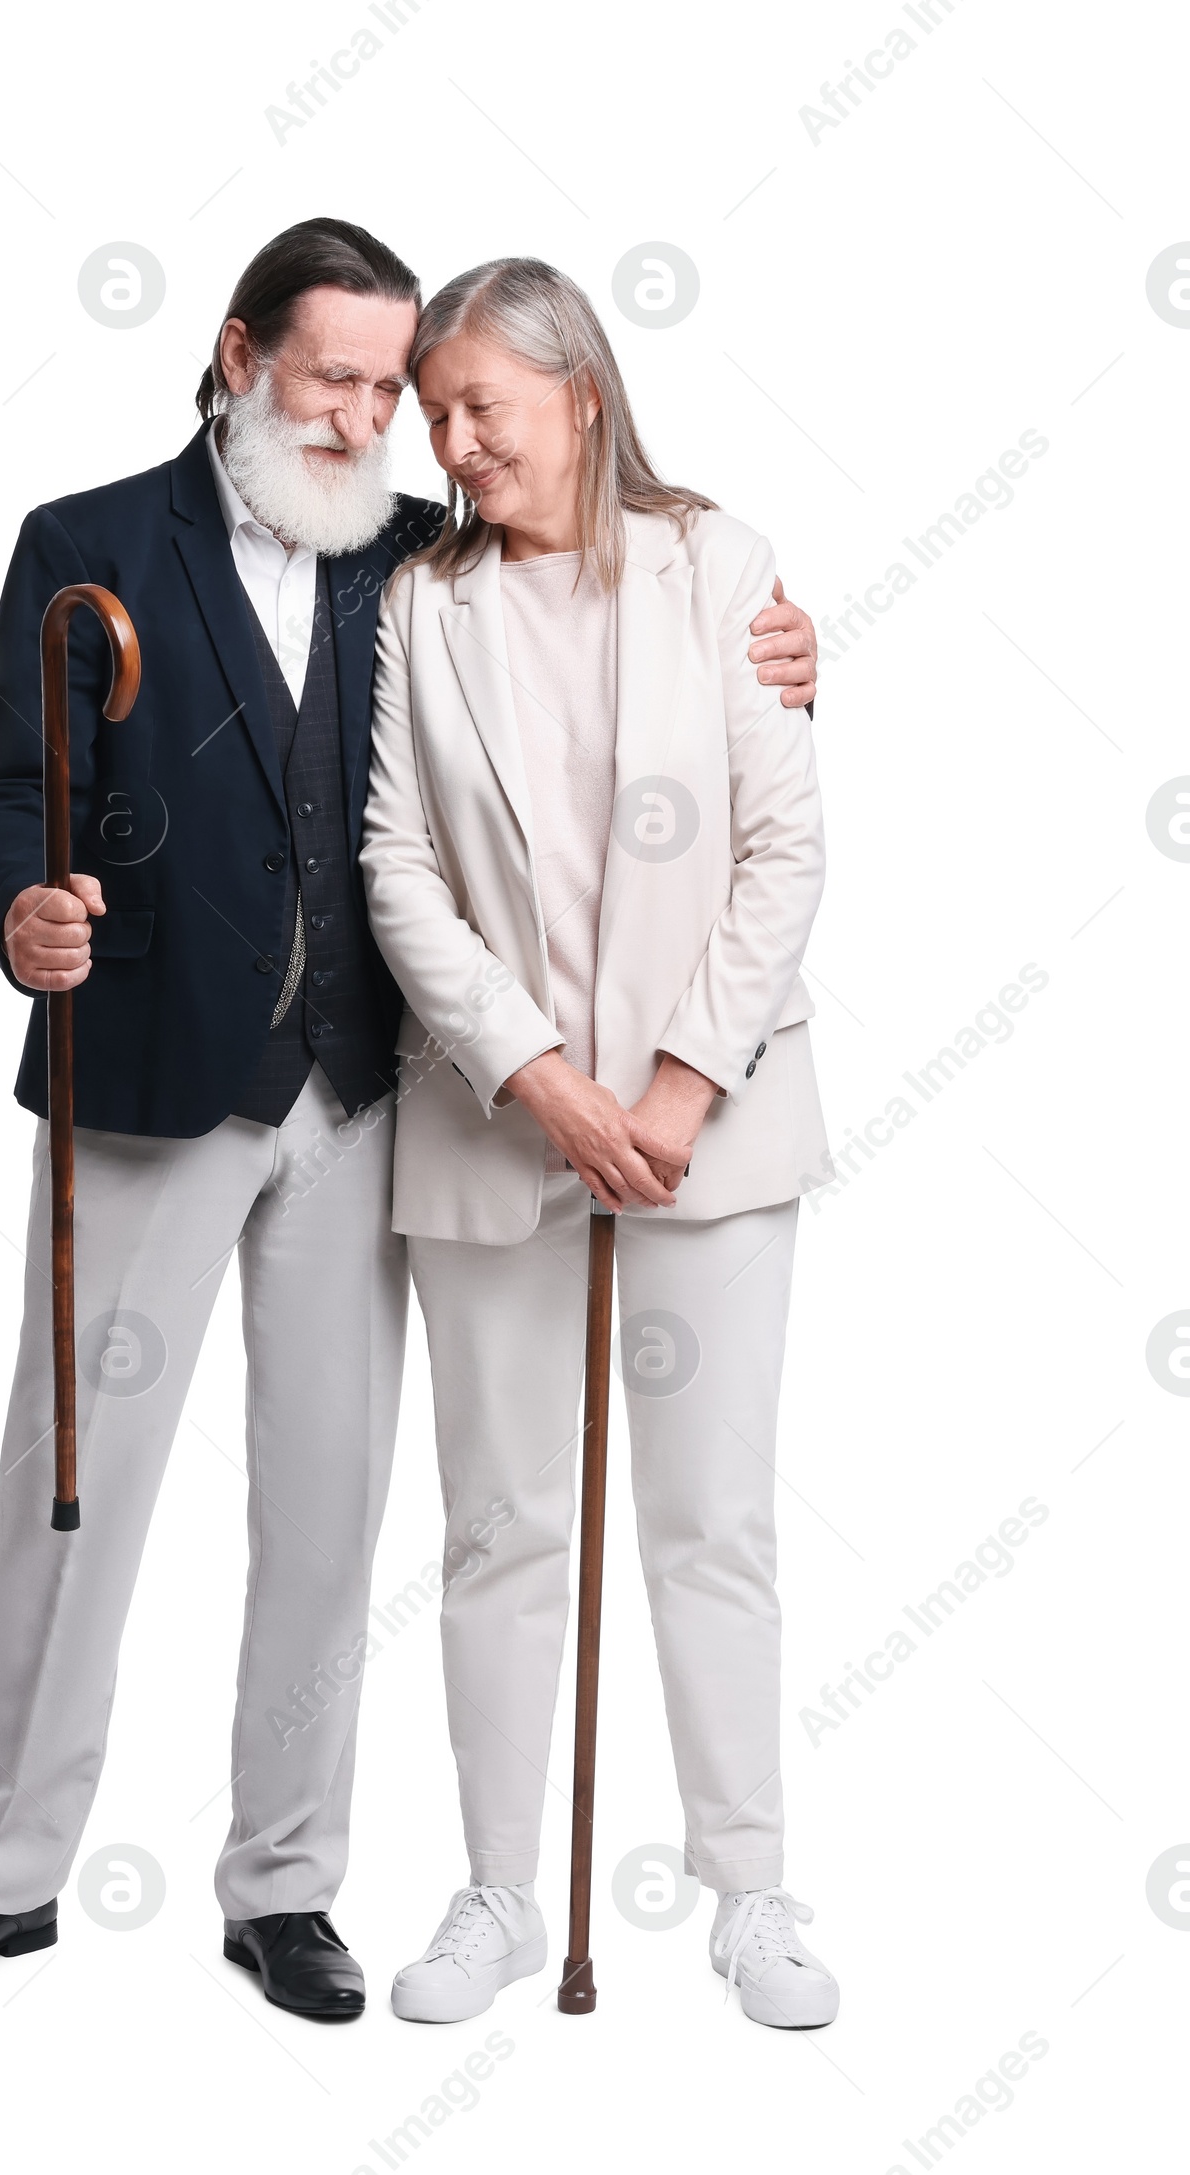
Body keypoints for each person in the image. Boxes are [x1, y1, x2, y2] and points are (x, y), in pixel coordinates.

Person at [0, 222, 821, 2021]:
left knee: (331, 1499)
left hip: (366, 1095)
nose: (380, 419)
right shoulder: (89, 548)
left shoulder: (415, 554)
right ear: (237, 357)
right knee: (75, 1486)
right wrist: (21, 909)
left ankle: (285, 1882)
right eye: (342, 381)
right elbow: (7, 799)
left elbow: (602, 611)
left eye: (397, 389)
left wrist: (777, 641)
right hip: (148, 1080)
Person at [360, 257, 838, 2031]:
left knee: (711, 1517)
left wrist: (676, 1090)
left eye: (480, 404)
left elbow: (784, 846)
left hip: (709, 1132)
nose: (453, 442)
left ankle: (751, 1886)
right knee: (497, 1526)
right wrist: (541, 1077)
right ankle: (496, 1890)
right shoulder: (424, 603)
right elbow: (397, 863)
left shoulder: (722, 566)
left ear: (580, 392)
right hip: (500, 1135)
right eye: (433, 415)